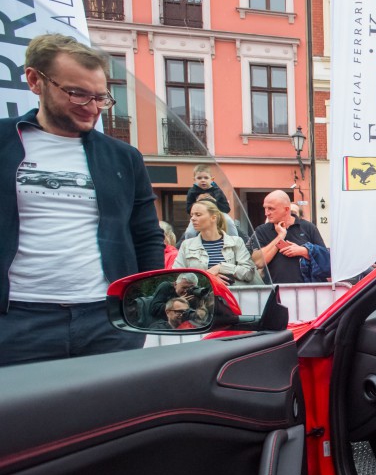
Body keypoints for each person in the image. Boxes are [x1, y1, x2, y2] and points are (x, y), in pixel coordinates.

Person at [0, 34, 163, 367]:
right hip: (16, 320)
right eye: (77, 93)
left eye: (101, 97)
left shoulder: (123, 157)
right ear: (35, 81)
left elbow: (146, 236)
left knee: (109, 418)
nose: (92, 107)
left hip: (107, 320)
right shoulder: (4, 141)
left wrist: (144, 307)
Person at [247, 190, 326, 283]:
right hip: (276, 292)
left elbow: (325, 259)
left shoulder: (308, 227)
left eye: (271, 208)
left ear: (286, 209)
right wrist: (280, 237)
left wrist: (304, 251)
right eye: (265, 208)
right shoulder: (261, 230)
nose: (266, 213)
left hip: (307, 291)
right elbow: (258, 262)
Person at [174, 200, 257, 285]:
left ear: (213, 218)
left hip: (230, 295)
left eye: (198, 215)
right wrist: (208, 279)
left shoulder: (236, 242)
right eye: (192, 215)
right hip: (200, 296)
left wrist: (221, 267)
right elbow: (176, 276)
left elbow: (248, 273)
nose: (193, 218)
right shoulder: (186, 245)